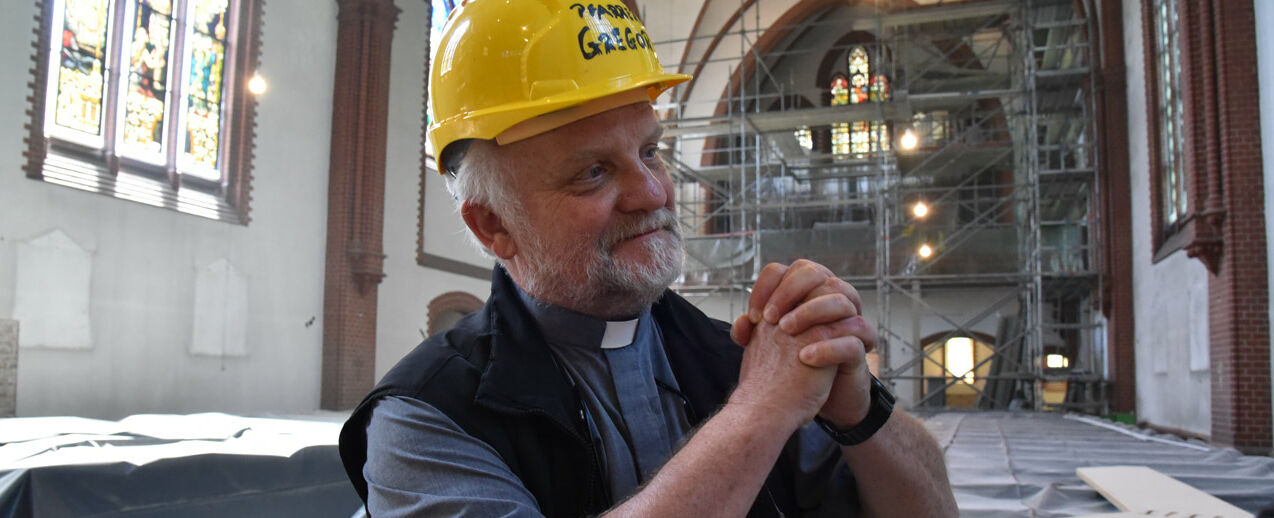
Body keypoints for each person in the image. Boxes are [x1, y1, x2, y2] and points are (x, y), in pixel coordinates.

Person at [338, 1, 957, 516]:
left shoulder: (729, 356)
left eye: (652, 151)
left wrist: (860, 410)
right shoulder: (426, 418)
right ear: (495, 224)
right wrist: (757, 413)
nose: (656, 193)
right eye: (594, 171)